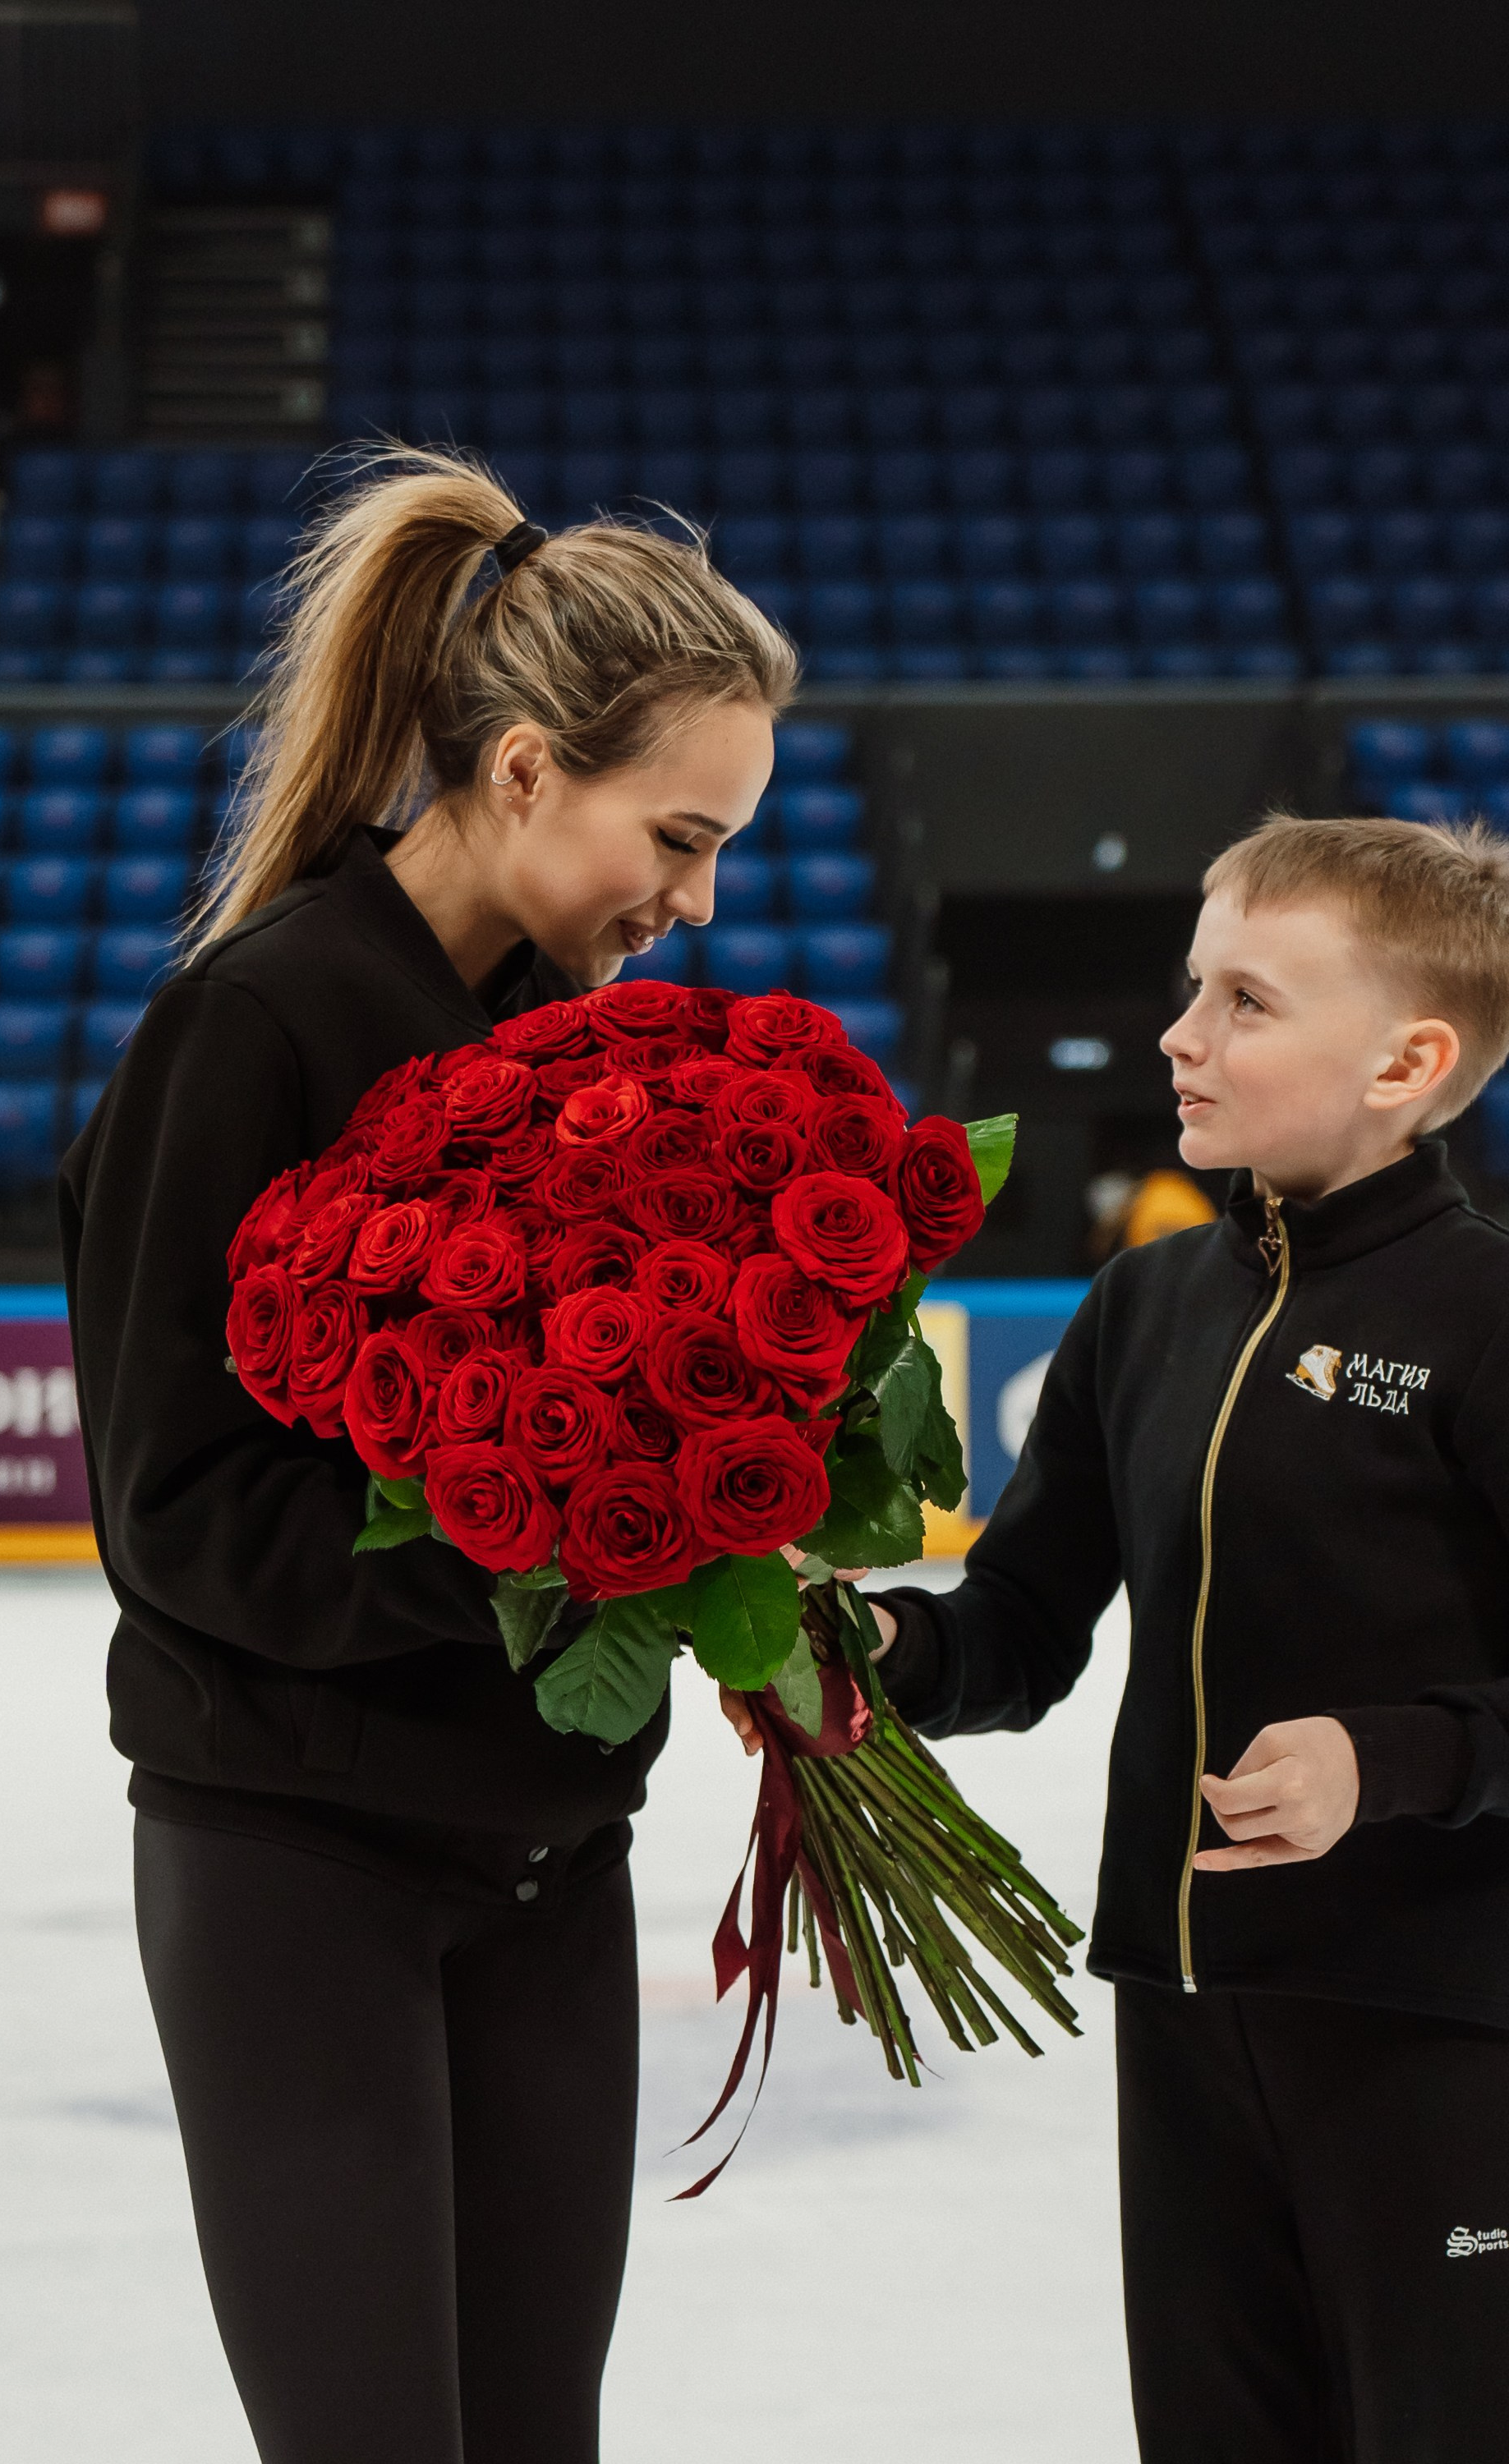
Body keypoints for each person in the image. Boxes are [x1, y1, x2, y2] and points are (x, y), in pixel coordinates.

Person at [60, 448, 794, 2464]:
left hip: (551, 1869)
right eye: (678, 833)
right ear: (532, 770)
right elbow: (181, 1519)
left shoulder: (581, 1049)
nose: (699, 897)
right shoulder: (256, 1028)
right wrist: (559, 1566)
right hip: (299, 1866)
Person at [729, 813, 1509, 2460]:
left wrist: (1393, 1760)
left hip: (1442, 2030)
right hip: (1180, 2007)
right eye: (1189, 987)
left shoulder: (1485, 1320)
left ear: (1407, 1060)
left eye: (1245, 1000)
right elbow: (1019, 1624)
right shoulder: (1143, 1306)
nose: (1179, 1033)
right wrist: (869, 1648)